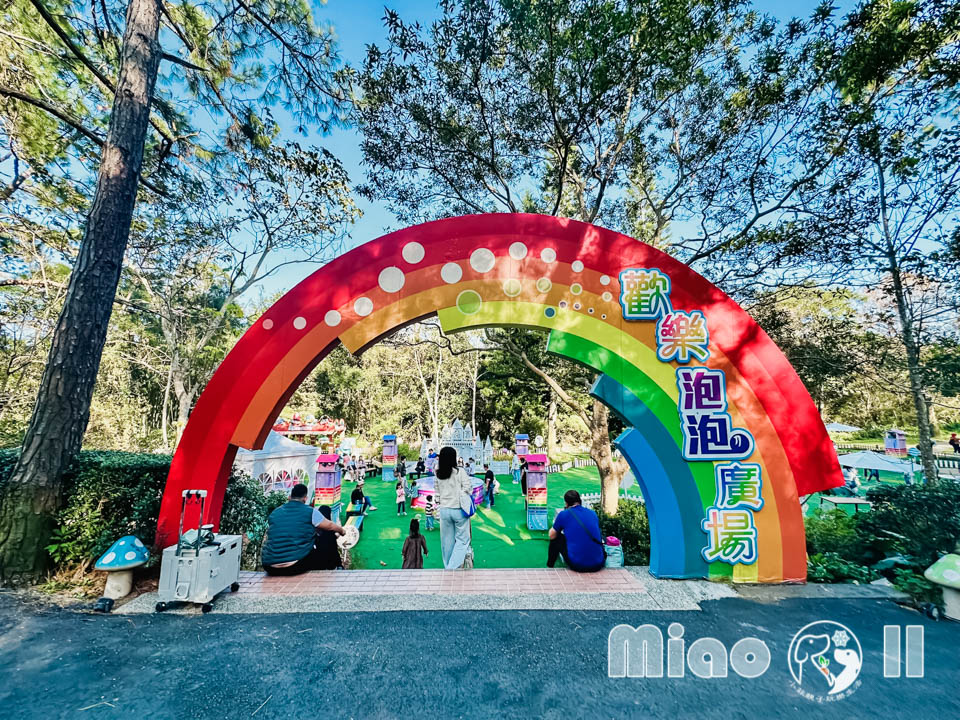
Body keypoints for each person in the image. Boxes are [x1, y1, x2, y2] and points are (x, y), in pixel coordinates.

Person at [261, 483, 346, 576]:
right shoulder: (309, 511)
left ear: (289, 497)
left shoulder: (275, 512)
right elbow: (330, 525)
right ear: (305, 499)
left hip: (270, 567)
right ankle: (336, 566)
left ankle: (336, 565)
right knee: (328, 532)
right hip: (295, 565)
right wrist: (342, 531)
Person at [434, 446, 473, 569]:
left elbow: (436, 492)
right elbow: (468, 488)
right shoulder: (460, 471)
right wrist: (460, 493)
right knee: (462, 540)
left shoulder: (438, 473)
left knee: (446, 542)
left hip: (444, 510)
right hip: (459, 510)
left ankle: (448, 566)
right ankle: (452, 567)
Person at [547, 489, 605, 572]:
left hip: (577, 565)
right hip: (598, 564)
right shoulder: (592, 513)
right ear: (580, 500)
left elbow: (551, 535)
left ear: (566, 503)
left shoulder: (564, 514)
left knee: (556, 539)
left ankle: (550, 567)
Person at [313, 504, 344, 570]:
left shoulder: (315, 530)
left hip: (317, 563)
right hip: (330, 564)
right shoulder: (330, 532)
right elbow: (334, 550)